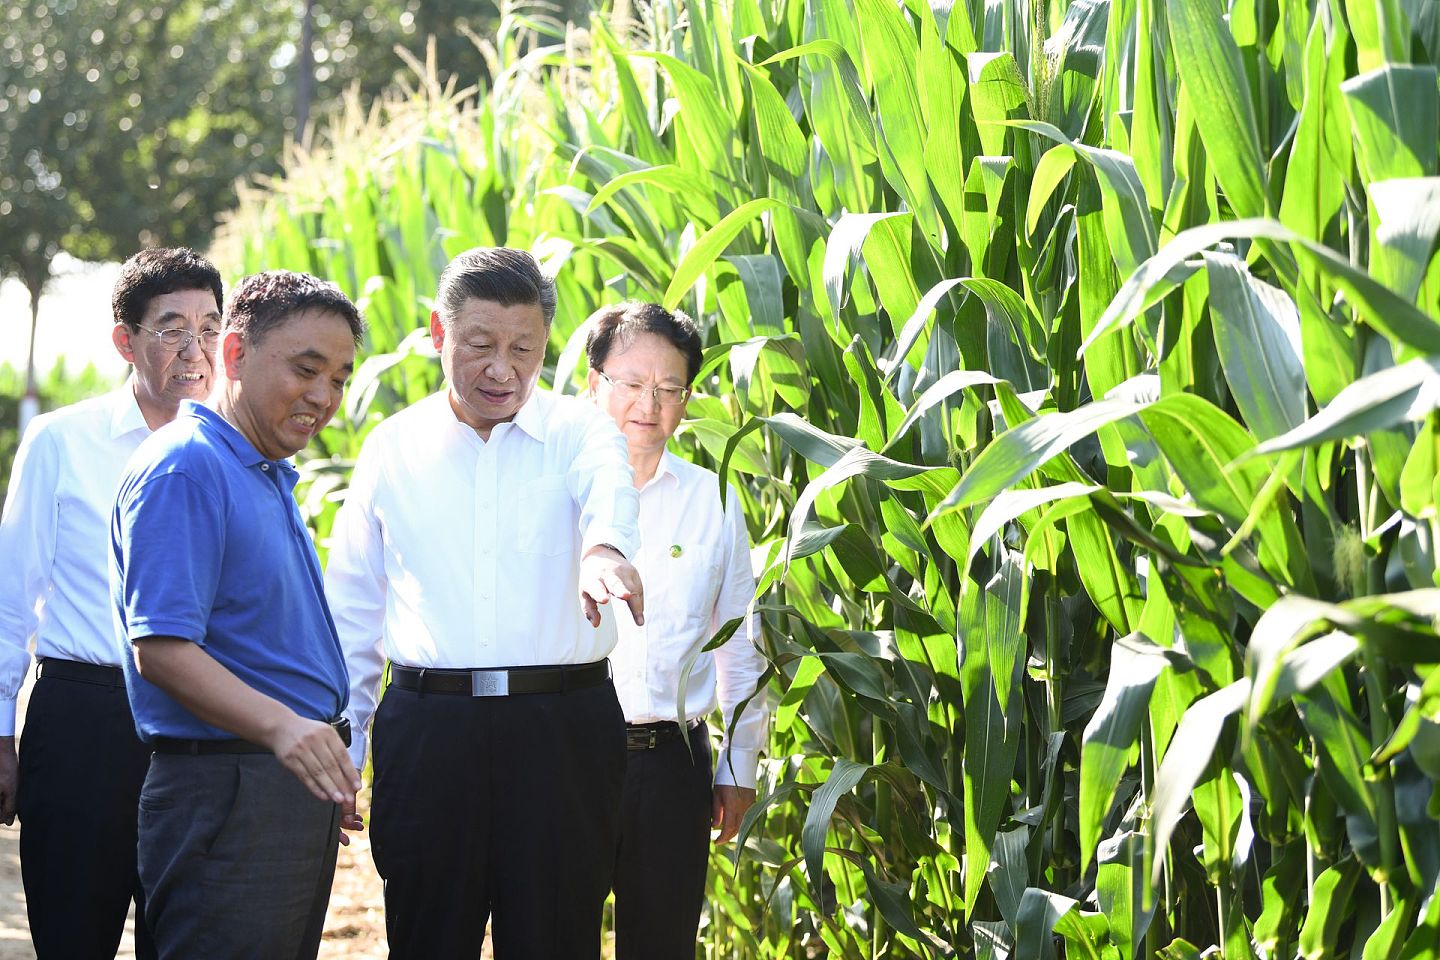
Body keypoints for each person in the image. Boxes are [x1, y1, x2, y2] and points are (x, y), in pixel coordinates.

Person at [325, 246, 643, 960]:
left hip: (563, 733)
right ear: (440, 334)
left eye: (523, 349)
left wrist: (606, 550)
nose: (503, 369)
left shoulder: (579, 431)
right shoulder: (391, 448)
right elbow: (352, 610)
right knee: (427, 934)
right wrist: (345, 747)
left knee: (558, 938)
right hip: (430, 734)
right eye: (480, 345)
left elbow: (609, 492)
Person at [110, 270, 365, 960]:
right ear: (233, 355)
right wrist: (288, 730)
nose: (324, 396)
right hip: (226, 793)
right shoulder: (187, 468)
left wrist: (315, 755)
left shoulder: (259, 467)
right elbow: (160, 647)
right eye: (306, 370)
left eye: (340, 379)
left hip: (274, 786)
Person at [0, 247, 223, 959]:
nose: (196, 350)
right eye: (171, 329)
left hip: (201, 729)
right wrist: (0, 734)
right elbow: (10, 598)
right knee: (73, 935)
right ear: (125, 340)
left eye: (211, 327)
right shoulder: (61, 442)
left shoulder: (237, 450)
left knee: (183, 940)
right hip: (83, 723)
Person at [584, 301, 770, 958]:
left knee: (662, 946)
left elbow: (740, 645)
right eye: (631, 384)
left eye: (669, 389)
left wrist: (738, 765)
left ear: (687, 398)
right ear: (594, 383)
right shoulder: (555, 493)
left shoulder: (712, 499)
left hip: (671, 763)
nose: (648, 404)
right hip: (563, 756)